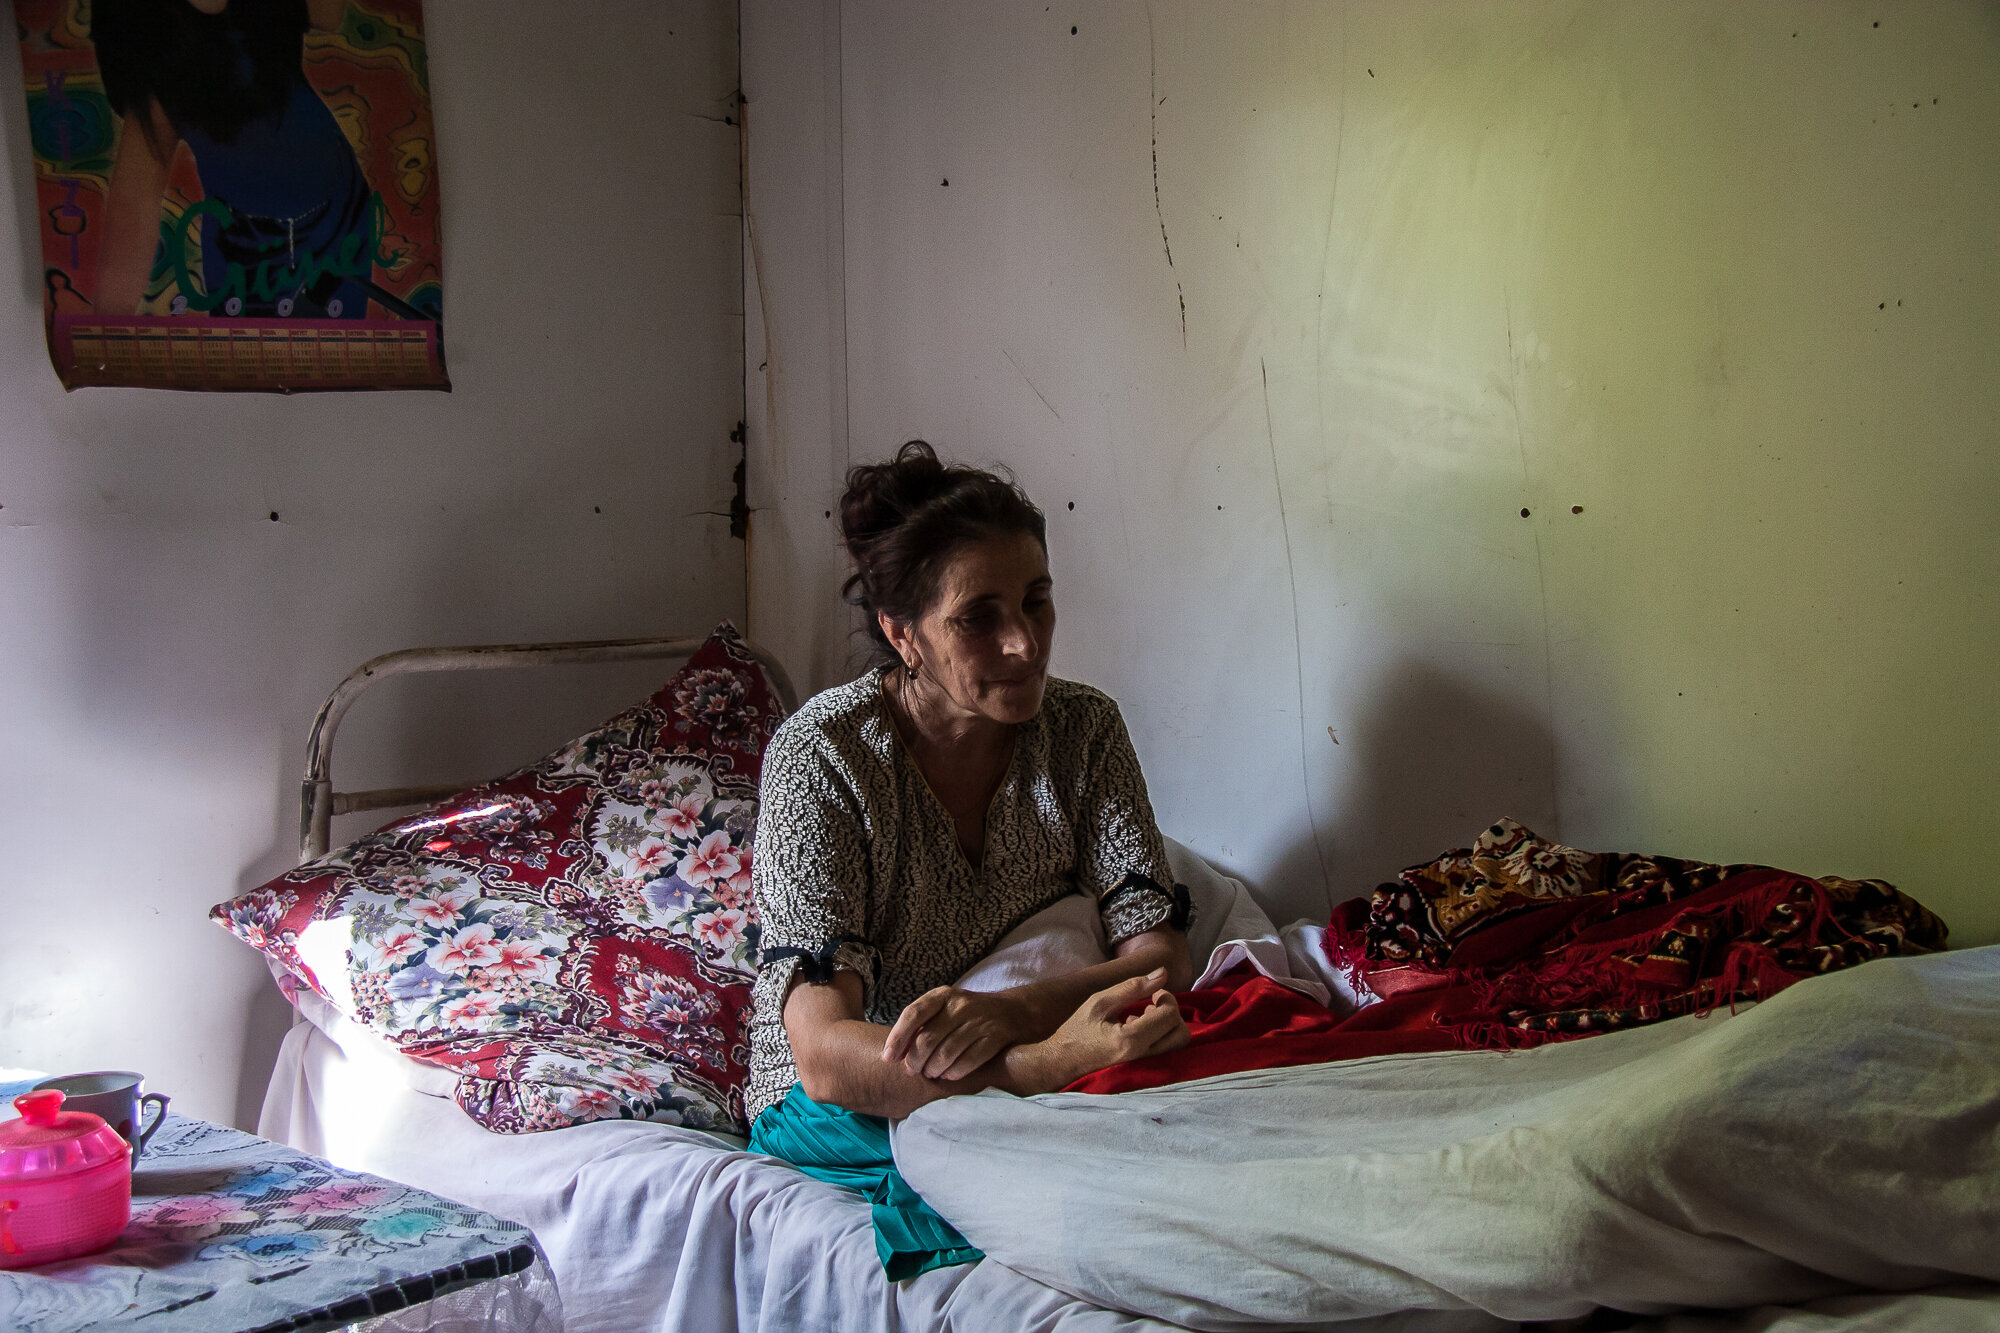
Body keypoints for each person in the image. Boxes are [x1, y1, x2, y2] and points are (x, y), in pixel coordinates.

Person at [746, 440, 1194, 1277]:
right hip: (847, 1095)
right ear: (902, 633)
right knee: (1069, 1184)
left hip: (1026, 1033)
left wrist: (1017, 1012)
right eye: (978, 617)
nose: (1024, 644)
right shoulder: (826, 757)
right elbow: (823, 1052)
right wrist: (1047, 1062)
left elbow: (1160, 953)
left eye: (1037, 602)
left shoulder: (1084, 729)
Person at [92, 0, 374, 319]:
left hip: (337, 215)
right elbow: (132, 209)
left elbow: (330, 15)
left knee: (337, 351)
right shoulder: (155, 69)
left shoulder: (267, 13)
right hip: (242, 245)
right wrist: (107, 331)